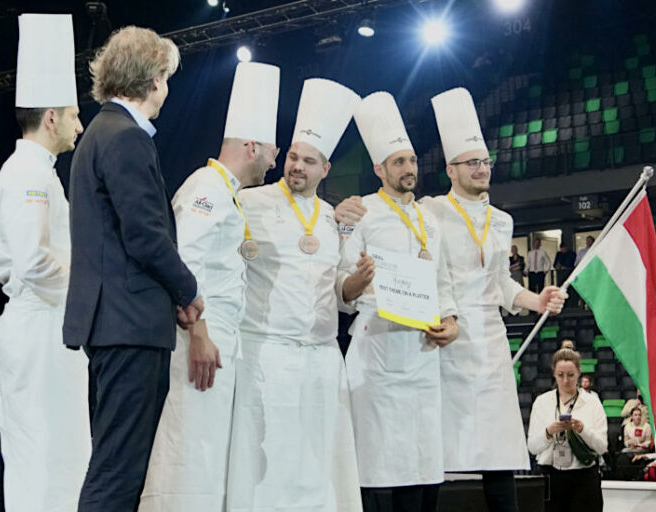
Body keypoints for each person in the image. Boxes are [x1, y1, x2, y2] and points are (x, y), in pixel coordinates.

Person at [63, 26, 203, 511]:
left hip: (116, 322)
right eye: (166, 77)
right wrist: (187, 290)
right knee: (118, 473)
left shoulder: (101, 132)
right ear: (154, 79)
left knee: (116, 467)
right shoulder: (125, 137)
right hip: (129, 325)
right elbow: (145, 235)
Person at [140, 62, 280, 511]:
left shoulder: (227, 192)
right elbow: (183, 264)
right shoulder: (206, 187)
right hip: (198, 341)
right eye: (272, 151)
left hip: (217, 342)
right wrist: (198, 335)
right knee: (188, 451)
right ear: (252, 146)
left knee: (207, 454)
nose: (275, 161)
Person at [422, 87, 567, 512]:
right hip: (448, 336)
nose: (482, 169)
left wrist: (537, 300)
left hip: (490, 337)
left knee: (497, 448)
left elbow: (501, 282)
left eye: (485, 161)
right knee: (439, 446)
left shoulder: (502, 221)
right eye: (472, 163)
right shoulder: (431, 211)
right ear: (451, 170)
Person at [225, 78, 363, 512]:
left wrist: (359, 281)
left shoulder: (333, 218)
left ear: (326, 169)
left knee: (319, 465)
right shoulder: (249, 202)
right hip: (266, 355)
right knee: (268, 468)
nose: (297, 166)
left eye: (309, 161)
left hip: (322, 359)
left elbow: (340, 291)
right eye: (293, 157)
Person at [0, 14, 90, 511]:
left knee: (56, 458)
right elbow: (32, 263)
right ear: (51, 118)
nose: (79, 126)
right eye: (73, 115)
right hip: (39, 330)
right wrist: (91, 288)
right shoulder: (29, 172)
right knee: (42, 462)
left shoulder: (36, 171)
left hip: (48, 329)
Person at [339, 91, 459, 512]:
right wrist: (356, 282)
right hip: (377, 351)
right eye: (399, 162)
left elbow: (442, 279)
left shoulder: (430, 219)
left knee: (422, 459)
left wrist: (451, 320)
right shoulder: (362, 212)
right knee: (374, 458)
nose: (409, 169)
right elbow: (341, 282)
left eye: (411, 161)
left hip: (422, 352)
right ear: (379, 169)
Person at [527, 341, 607, 512]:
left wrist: (582, 429)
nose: (565, 380)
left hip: (584, 477)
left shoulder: (592, 402)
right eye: (560, 375)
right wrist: (548, 432)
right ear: (554, 374)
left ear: (579, 373)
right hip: (551, 475)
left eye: (570, 375)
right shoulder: (542, 402)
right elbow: (532, 447)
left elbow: (602, 447)